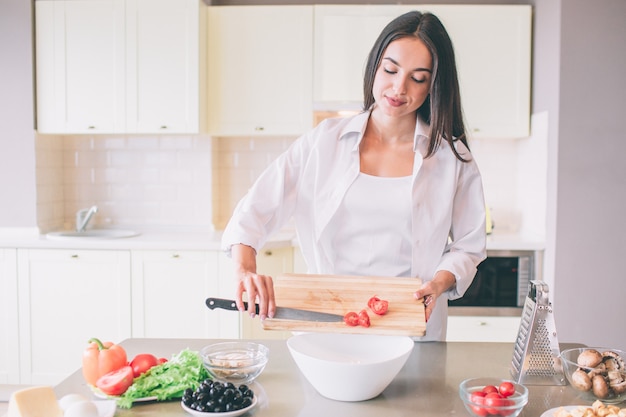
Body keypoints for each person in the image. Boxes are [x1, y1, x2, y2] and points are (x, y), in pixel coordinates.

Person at [221, 10, 487, 341]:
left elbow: (468, 246)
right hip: (325, 321)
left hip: (412, 327)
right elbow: (254, 211)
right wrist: (244, 271)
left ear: (434, 85)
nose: (398, 87)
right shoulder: (324, 141)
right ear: (375, 66)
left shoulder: (451, 157)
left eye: (417, 78)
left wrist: (440, 282)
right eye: (390, 70)